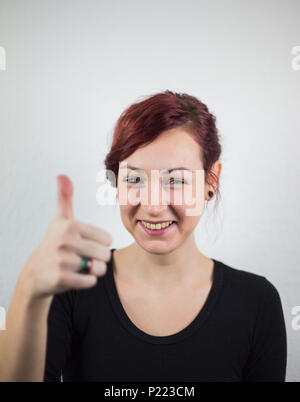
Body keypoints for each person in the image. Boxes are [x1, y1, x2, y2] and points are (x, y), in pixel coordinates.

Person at [0, 90, 287, 382]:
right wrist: (28, 291)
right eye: (134, 179)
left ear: (210, 182)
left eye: (175, 180)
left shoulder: (257, 303)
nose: (152, 206)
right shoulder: (72, 287)